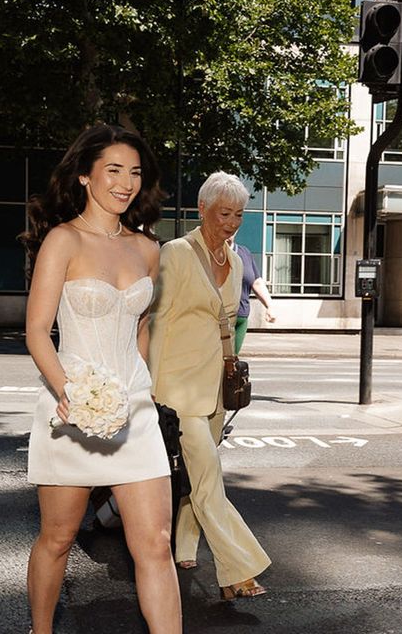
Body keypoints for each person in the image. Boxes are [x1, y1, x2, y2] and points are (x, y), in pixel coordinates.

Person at [23, 124, 180, 634]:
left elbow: (140, 327)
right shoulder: (62, 240)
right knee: (58, 538)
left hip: (134, 408)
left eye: (134, 172)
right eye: (113, 170)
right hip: (70, 405)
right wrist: (68, 393)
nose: (125, 182)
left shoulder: (148, 249)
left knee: (156, 543)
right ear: (86, 176)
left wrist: (145, 388)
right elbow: (36, 332)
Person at [148, 171, 271, 600]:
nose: (232, 222)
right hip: (178, 386)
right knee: (208, 479)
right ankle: (239, 569)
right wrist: (149, 383)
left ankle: (185, 543)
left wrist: (230, 367)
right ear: (202, 209)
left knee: (199, 477)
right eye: (224, 213)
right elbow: (157, 320)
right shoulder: (176, 253)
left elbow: (226, 323)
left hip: (215, 384)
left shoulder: (236, 261)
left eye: (239, 214)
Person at [231, 240, 275, 355]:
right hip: (215, 318)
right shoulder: (210, 252)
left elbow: (256, 282)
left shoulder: (244, 253)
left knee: (231, 361)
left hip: (240, 317)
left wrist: (269, 306)